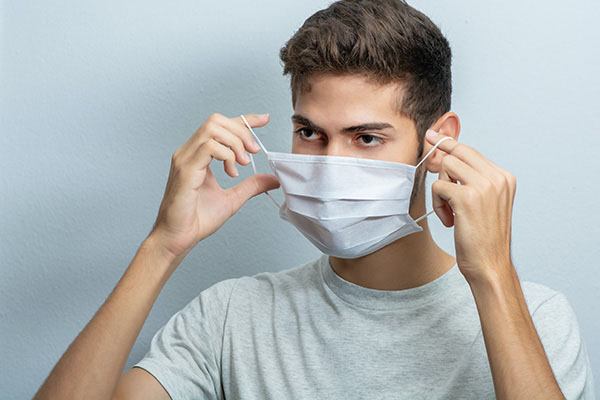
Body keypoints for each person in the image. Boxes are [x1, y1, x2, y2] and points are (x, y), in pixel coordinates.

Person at [35, 0, 595, 399]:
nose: (329, 167)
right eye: (310, 133)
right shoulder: (230, 317)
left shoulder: (537, 319)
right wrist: (163, 245)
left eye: (366, 138)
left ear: (439, 139)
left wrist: (493, 275)